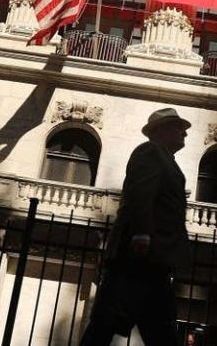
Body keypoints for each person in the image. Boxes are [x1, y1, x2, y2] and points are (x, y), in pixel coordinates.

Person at [79, 108, 191, 346]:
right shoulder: (150, 152)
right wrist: (142, 235)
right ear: (161, 130)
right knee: (106, 324)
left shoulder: (166, 159)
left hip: (154, 261)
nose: (185, 132)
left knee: (155, 330)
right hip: (138, 258)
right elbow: (141, 195)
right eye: (178, 126)